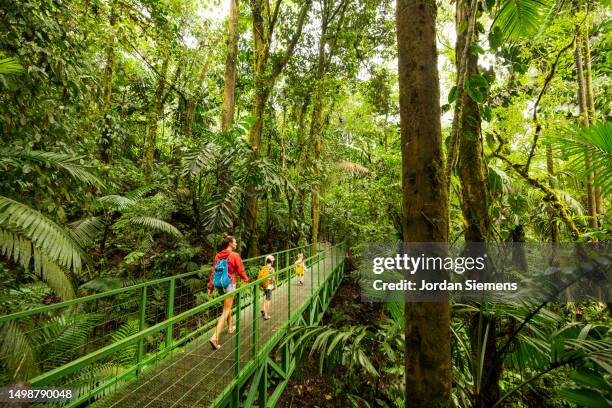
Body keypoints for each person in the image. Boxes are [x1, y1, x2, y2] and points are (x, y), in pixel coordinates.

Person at [208, 233, 248, 350]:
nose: (236, 244)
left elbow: (213, 272)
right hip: (230, 283)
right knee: (226, 310)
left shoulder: (218, 256)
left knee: (227, 306)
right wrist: (246, 280)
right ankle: (215, 337)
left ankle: (230, 327)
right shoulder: (234, 255)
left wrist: (210, 287)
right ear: (230, 244)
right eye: (235, 242)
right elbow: (240, 270)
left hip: (220, 285)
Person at [258, 255, 276, 320]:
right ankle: (266, 315)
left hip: (264, 285)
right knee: (268, 300)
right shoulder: (271, 269)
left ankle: (263, 309)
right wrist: (275, 284)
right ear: (271, 262)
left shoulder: (263, 267)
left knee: (265, 298)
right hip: (269, 286)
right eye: (273, 261)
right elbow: (273, 279)